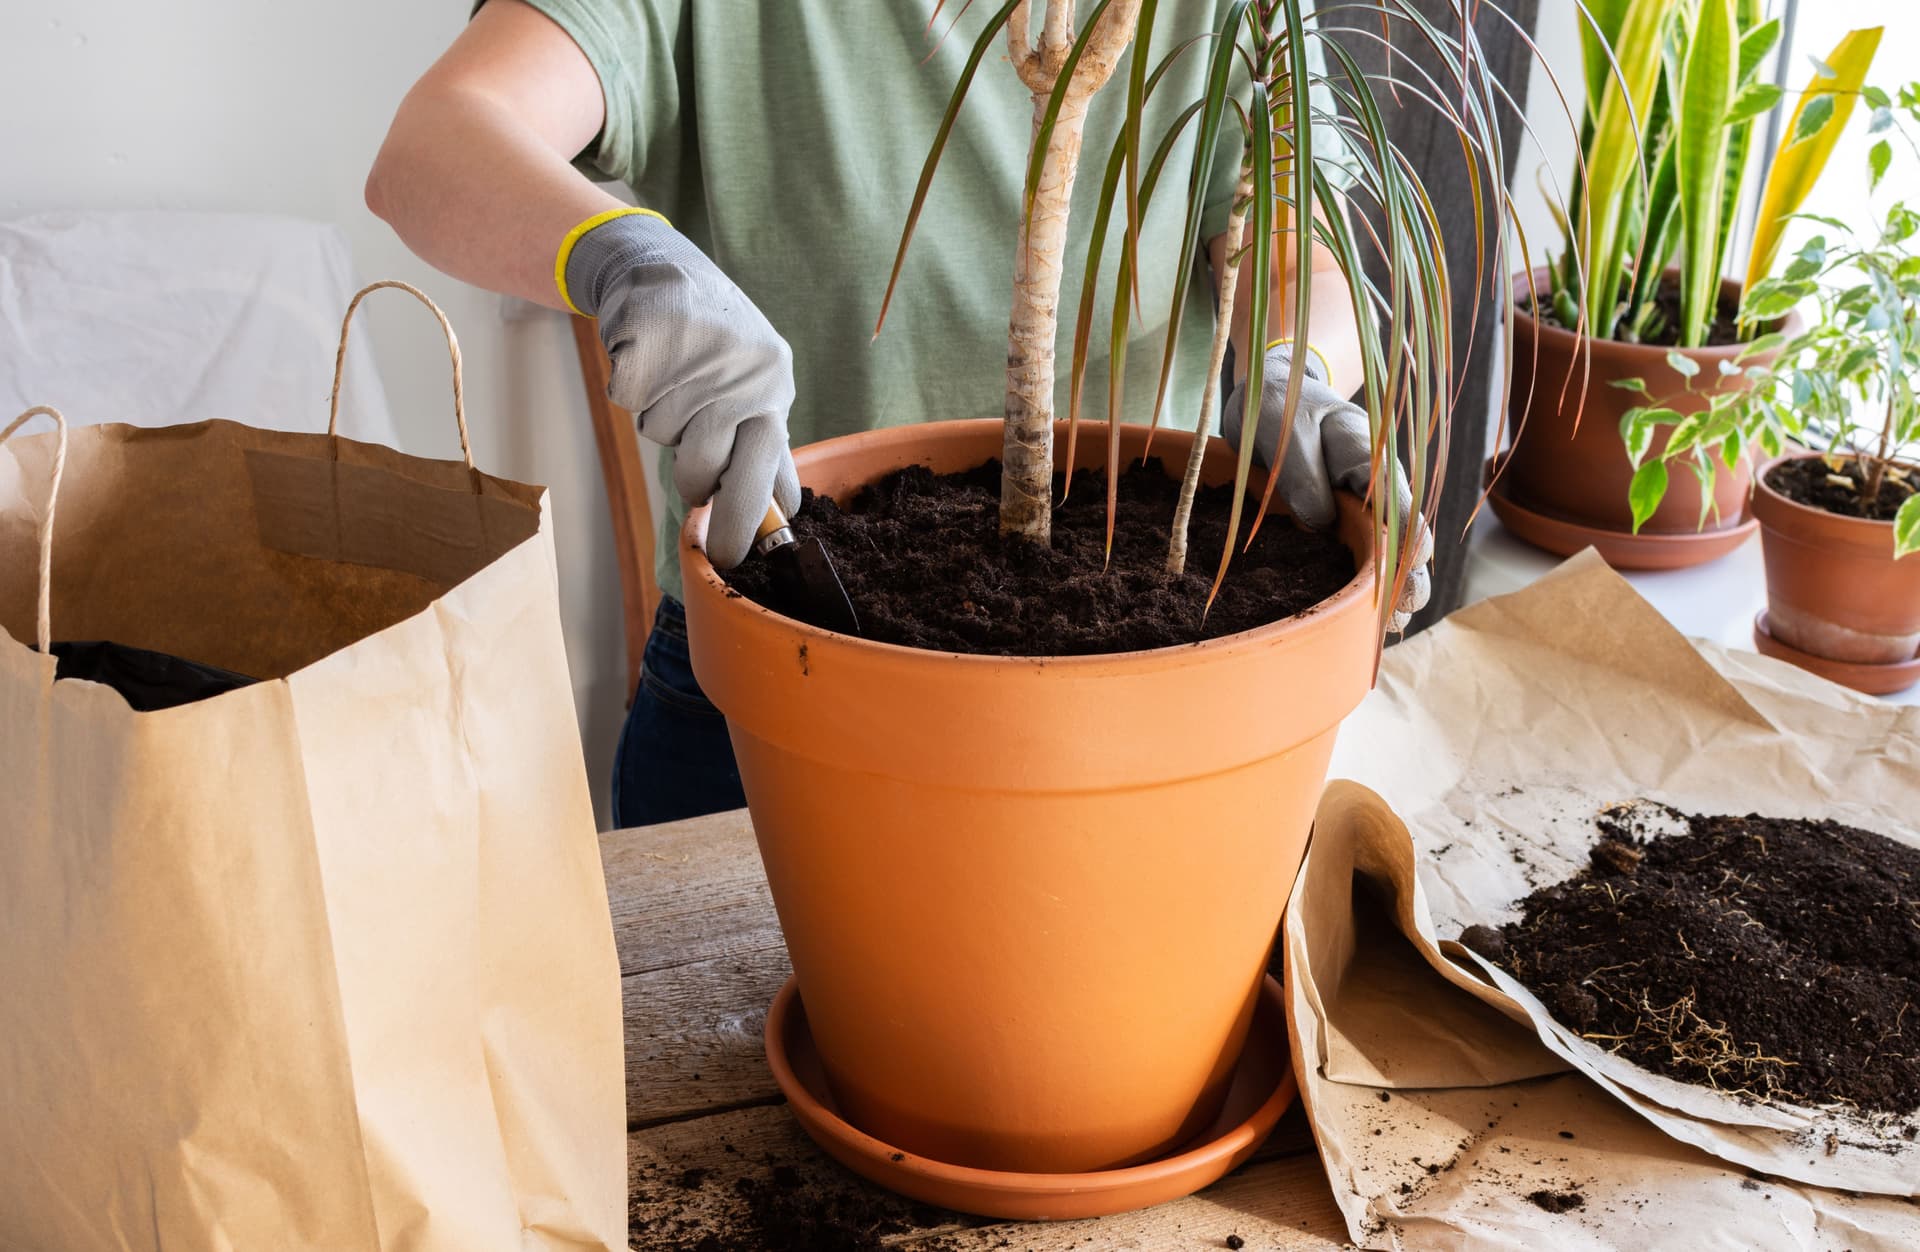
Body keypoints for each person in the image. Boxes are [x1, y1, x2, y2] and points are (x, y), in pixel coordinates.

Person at [367, 0, 1430, 829]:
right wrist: (626, 260)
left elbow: (1292, 234)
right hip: (776, 683)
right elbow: (438, 142)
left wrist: (1300, 361)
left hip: (1154, 706)